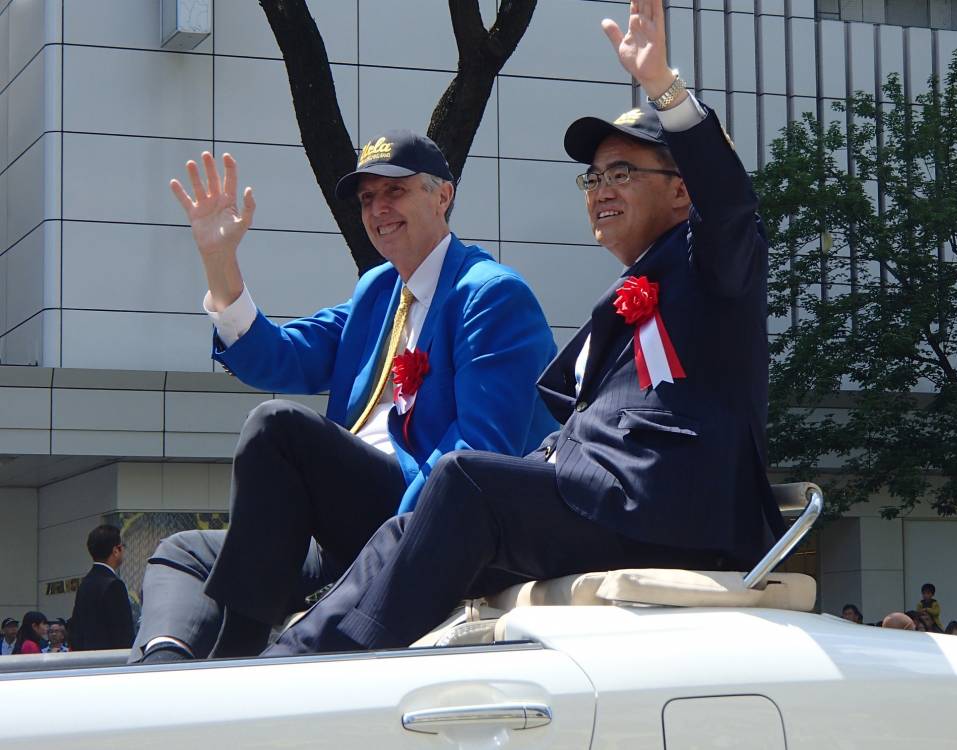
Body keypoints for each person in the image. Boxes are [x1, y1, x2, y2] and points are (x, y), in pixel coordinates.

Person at [261, 0, 786, 657]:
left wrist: (665, 91)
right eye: (593, 176)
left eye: (623, 172)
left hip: (674, 512)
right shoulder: (626, 294)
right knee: (407, 528)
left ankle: (340, 669)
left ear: (682, 192)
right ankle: (283, 660)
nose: (601, 189)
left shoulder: (713, 268)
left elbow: (731, 206)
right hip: (602, 500)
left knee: (464, 480)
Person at [133, 131, 556, 663]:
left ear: (442, 195)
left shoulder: (490, 293)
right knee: (181, 553)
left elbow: (474, 457)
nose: (378, 209)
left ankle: (236, 655)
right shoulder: (377, 290)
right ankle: (158, 679)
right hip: (346, 527)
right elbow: (279, 357)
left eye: (393, 192)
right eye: (366, 199)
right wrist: (220, 261)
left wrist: (384, 552)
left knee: (278, 428)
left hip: (424, 520)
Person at [69, 525, 134, 650]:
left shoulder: (85, 583)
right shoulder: (114, 585)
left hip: (87, 660)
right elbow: (123, 634)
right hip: (111, 661)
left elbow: (76, 630)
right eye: (123, 546)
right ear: (116, 550)